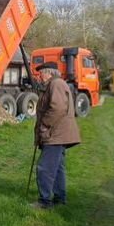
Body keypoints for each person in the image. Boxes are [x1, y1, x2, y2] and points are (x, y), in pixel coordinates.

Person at [32, 62, 81, 209]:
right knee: (58, 167)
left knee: (44, 168)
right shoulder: (54, 84)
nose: (39, 76)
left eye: (41, 73)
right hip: (58, 133)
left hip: (55, 134)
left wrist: (44, 125)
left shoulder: (56, 84)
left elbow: (58, 108)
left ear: (49, 73)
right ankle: (59, 198)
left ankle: (44, 201)